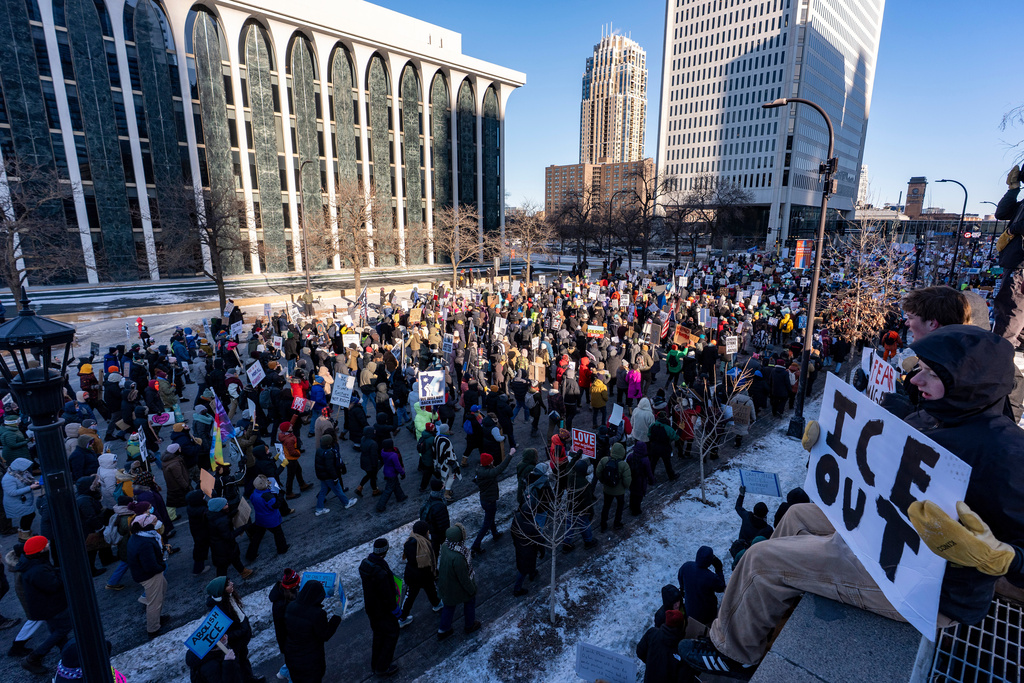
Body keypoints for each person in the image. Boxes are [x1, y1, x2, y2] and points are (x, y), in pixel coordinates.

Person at [679, 324, 1024, 675]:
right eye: (921, 368)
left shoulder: (1006, 454)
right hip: (884, 535)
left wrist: (1003, 558)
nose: (917, 380)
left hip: (921, 585)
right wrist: (828, 448)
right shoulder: (942, 414)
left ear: (966, 384)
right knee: (797, 515)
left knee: (761, 560)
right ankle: (769, 604)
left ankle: (731, 652)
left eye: (932, 374)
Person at [18, 536, 71, 675]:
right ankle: (33, 657)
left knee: (57, 631)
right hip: (52, 606)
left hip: (45, 607)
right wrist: (61, 572)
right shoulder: (38, 569)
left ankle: (68, 654)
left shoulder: (32, 564)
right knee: (62, 629)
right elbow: (54, 585)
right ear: (40, 550)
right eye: (45, 545)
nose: (48, 545)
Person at [206, 577, 263, 683]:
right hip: (235, 642)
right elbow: (224, 634)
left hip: (241, 639)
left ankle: (249, 678)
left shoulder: (228, 598)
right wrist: (243, 630)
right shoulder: (219, 611)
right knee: (237, 665)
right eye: (228, 584)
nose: (232, 584)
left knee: (243, 658)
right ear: (221, 590)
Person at [284, 580, 341, 683]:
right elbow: (325, 635)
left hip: (292, 657)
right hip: (310, 662)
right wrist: (337, 616)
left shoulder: (290, 606)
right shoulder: (317, 614)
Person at [358, 538, 401, 677]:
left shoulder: (366, 565)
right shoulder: (380, 573)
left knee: (379, 635)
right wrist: (395, 608)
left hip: (372, 608)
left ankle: (375, 663)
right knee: (392, 634)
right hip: (382, 610)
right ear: (385, 551)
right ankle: (382, 667)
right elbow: (387, 596)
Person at [992, 164, 1024, 345]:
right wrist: (1013, 190)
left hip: (1020, 264)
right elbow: (1001, 212)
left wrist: (1013, 229)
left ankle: (1001, 350)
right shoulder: (1022, 204)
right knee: (1011, 306)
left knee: (1011, 307)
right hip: (1014, 262)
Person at [126, 513, 169, 638]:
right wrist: (162, 567)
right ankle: (153, 628)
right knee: (155, 602)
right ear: (148, 526)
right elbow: (150, 566)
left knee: (162, 589)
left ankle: (156, 618)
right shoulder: (145, 543)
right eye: (155, 522)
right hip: (150, 576)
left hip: (145, 574)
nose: (158, 523)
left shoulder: (138, 536)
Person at [437, 524, 482, 640]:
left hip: (447, 584)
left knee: (449, 605)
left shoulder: (445, 546)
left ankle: (443, 629)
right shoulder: (458, 557)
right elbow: (464, 578)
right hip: (456, 587)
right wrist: (472, 589)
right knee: (470, 601)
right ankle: (470, 625)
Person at [636, 609, 705, 683]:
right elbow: (684, 679)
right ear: (682, 627)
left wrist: (653, 663)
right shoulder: (682, 650)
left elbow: (640, 652)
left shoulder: (652, 633)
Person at [399, 520, 442, 627]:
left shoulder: (409, 542)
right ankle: (436, 604)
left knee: (409, 597)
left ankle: (402, 617)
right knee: (431, 590)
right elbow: (428, 563)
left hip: (411, 575)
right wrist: (433, 573)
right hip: (424, 575)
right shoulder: (425, 546)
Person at [206, 497, 254, 580]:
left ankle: (243, 571)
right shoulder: (221, 521)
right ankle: (220, 584)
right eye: (225, 504)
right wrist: (243, 528)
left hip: (218, 546)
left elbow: (221, 519)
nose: (228, 505)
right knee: (223, 566)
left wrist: (231, 514)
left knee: (234, 558)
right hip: (224, 547)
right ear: (219, 508)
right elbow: (229, 536)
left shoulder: (211, 514)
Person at [678, 546, 726, 627]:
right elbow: (721, 587)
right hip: (707, 615)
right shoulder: (711, 577)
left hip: (689, 611)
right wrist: (719, 569)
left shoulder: (686, 566)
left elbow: (680, 579)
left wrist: (683, 589)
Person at [246, 476, 288, 562]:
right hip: (271, 519)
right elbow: (275, 505)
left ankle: (250, 555)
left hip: (260, 518)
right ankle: (282, 549)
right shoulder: (267, 496)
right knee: (278, 534)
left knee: (257, 537)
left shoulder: (254, 493)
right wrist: (280, 496)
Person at [268, 568, 300, 682]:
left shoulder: (284, 595)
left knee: (292, 659)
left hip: (288, 639)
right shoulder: (282, 605)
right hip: (289, 639)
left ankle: (284, 672)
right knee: (295, 664)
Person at [313, 435, 357, 516]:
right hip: (329, 476)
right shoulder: (329, 453)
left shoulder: (319, 450)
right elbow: (330, 468)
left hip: (322, 475)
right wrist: (335, 477)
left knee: (323, 491)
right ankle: (346, 503)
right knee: (338, 490)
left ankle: (319, 509)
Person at [2, 458, 40, 539]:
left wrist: (33, 483)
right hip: (16, 502)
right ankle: (24, 535)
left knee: (28, 515)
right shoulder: (8, 479)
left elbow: (27, 480)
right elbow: (12, 492)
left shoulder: (19, 473)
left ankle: (24, 533)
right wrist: (30, 487)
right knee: (29, 515)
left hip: (21, 501)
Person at [597, 442, 631, 532]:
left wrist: (603, 481)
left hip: (607, 489)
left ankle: (603, 524)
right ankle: (617, 523)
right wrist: (625, 487)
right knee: (620, 506)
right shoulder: (624, 465)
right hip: (619, 491)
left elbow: (598, 472)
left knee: (606, 506)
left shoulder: (604, 460)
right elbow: (627, 481)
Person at [419, 479, 450, 560]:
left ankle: (433, 566)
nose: (444, 487)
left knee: (434, 550)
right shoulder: (440, 506)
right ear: (440, 489)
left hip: (432, 530)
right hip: (439, 533)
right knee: (445, 549)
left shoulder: (431, 498)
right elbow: (443, 525)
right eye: (443, 486)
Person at [375, 438, 408, 513]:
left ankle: (401, 496)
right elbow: (397, 466)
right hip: (392, 473)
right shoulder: (393, 455)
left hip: (387, 471)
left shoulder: (383, 451)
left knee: (396, 484)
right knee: (388, 489)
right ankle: (380, 505)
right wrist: (402, 473)